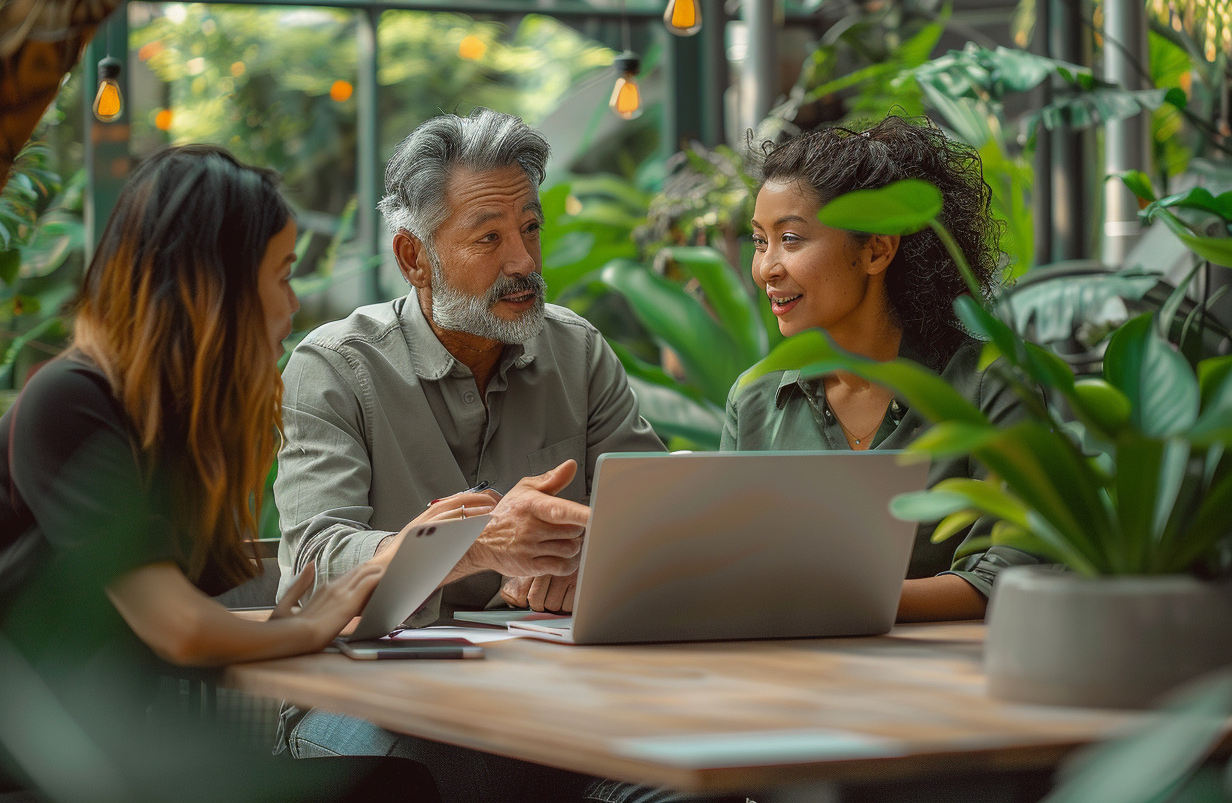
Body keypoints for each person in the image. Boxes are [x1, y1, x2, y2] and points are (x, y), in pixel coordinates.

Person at [0, 145, 437, 803]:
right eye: (283, 275)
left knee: (399, 783)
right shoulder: (70, 401)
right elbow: (177, 629)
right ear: (217, 285)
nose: (293, 304)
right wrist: (307, 629)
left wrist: (280, 627)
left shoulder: (162, 425)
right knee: (394, 789)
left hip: (105, 745)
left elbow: (156, 621)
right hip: (45, 762)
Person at [274, 108, 664, 797]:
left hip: (551, 701)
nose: (523, 262)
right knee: (443, 779)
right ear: (413, 258)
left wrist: (585, 563)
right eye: (489, 238)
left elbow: (659, 519)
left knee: (680, 781)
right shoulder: (333, 367)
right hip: (367, 698)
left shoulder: (578, 352)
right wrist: (473, 545)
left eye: (530, 229)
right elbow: (314, 560)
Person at [721, 115, 1041, 623]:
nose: (767, 268)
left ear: (875, 249)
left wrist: (837, 601)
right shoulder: (756, 398)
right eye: (761, 241)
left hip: (946, 682)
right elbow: (732, 563)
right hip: (785, 679)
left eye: (792, 239)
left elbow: (1011, 570)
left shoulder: (986, 384)